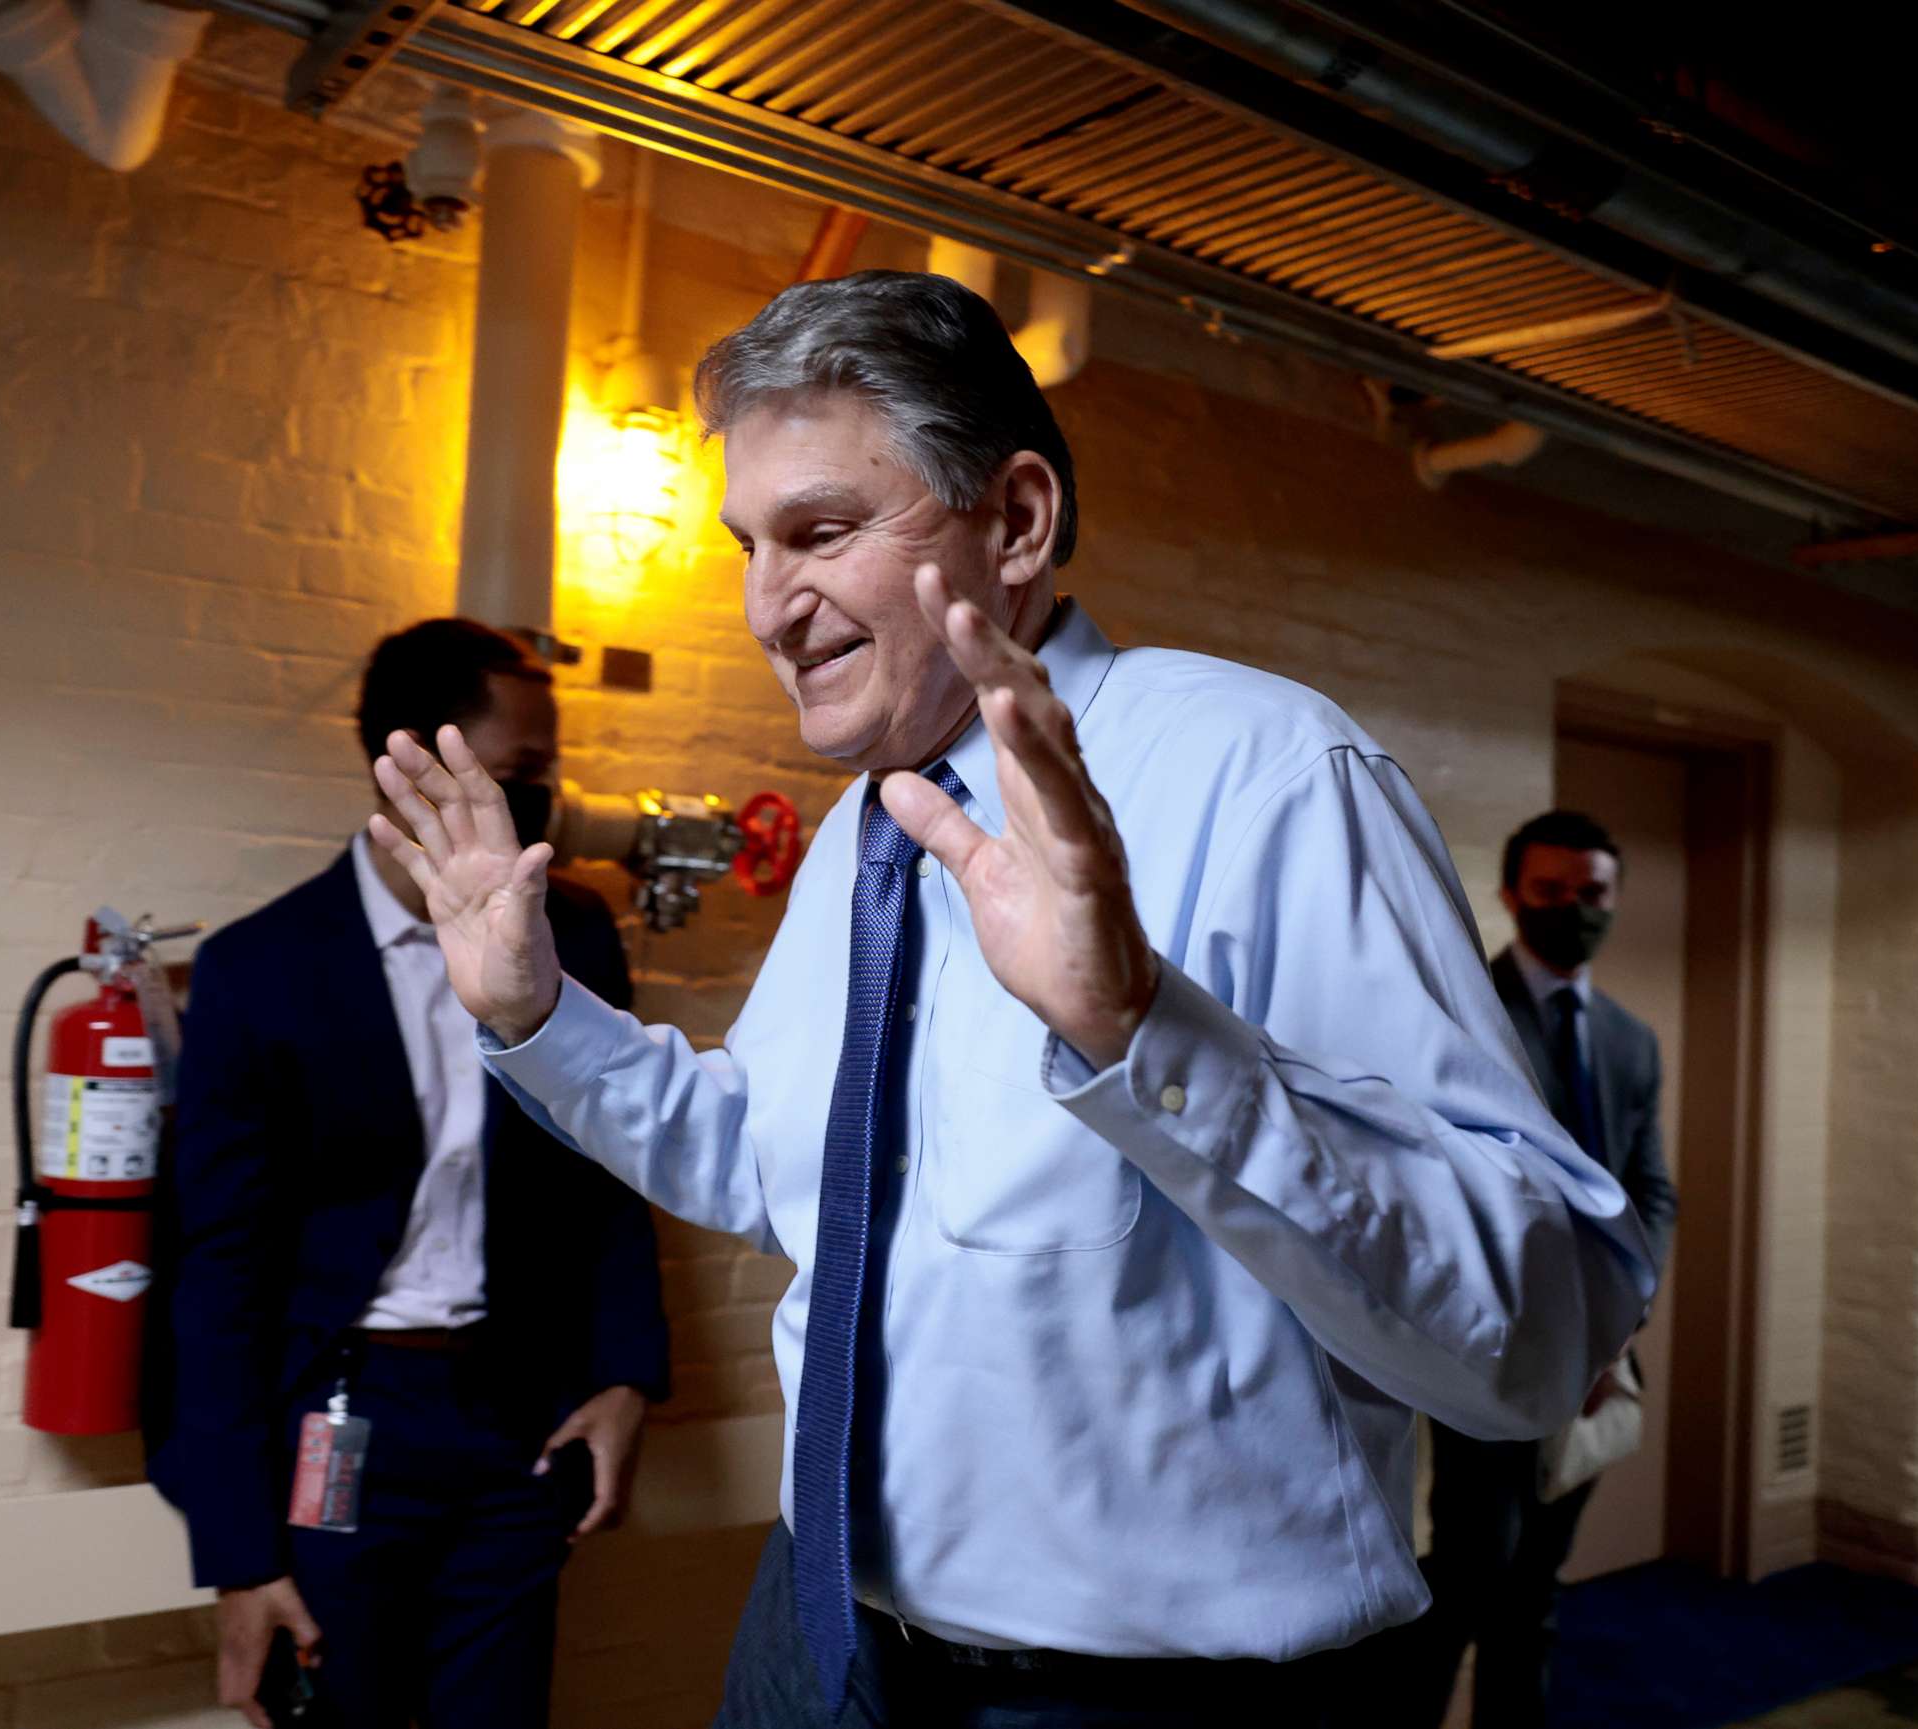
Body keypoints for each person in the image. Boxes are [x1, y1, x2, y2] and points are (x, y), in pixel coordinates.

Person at [368, 272, 1654, 1728]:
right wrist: (538, 1016)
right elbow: (764, 1160)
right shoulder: (866, 830)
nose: (765, 609)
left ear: (1019, 521)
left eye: (823, 532)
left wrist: (1145, 1035)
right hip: (819, 1641)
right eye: (749, 546)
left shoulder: (1270, 774)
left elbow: (1542, 1333)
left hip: (1146, 1703)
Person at [146, 619, 670, 1729]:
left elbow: (610, 1171)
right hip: (341, 1420)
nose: (549, 795)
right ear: (416, 763)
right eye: (523, 771)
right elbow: (219, 1274)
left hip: (520, 1428)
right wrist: (239, 1558)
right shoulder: (262, 970)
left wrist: (626, 1378)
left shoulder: (573, 929)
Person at [1408, 808, 1679, 1729]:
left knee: (1537, 1593)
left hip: (1600, 1363)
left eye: (1592, 893)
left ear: (1615, 897)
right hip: (1492, 1350)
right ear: (1512, 893)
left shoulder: (1632, 1040)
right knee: (1467, 1577)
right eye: (1552, 890)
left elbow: (1651, 1191)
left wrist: (1618, 1326)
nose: (1574, 908)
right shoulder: (1461, 1020)